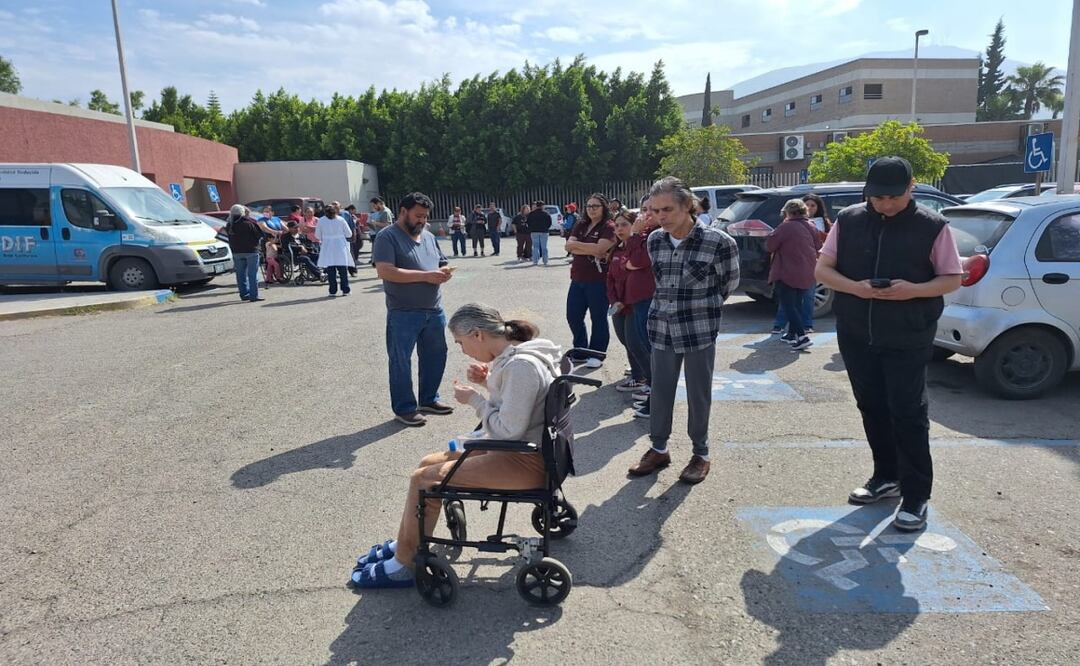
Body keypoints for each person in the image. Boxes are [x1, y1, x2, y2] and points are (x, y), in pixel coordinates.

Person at [348, 303, 560, 590]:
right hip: (525, 451)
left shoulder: (521, 366)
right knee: (426, 464)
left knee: (423, 480)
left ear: (477, 335)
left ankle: (404, 563)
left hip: (523, 461)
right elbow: (520, 407)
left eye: (461, 343)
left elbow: (509, 429)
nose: (462, 350)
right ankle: (408, 538)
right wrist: (488, 383)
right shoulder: (522, 354)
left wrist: (475, 400)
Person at [815, 156, 962, 532]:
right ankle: (886, 476)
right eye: (877, 198)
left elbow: (950, 278)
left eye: (893, 197)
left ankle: (916, 495)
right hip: (856, 331)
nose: (885, 204)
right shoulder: (848, 220)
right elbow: (823, 270)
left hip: (908, 333)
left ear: (911, 186)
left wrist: (913, 291)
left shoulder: (932, 226)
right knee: (872, 405)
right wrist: (857, 288)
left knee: (908, 412)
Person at [627, 177, 739, 485]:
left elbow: (729, 283)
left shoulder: (719, 242)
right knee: (660, 391)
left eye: (667, 209)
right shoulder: (655, 241)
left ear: (687, 206)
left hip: (699, 330)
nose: (661, 216)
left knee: (698, 394)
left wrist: (703, 307)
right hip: (661, 327)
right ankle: (659, 448)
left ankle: (700, 454)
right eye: (654, 210)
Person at [372, 192, 455, 427]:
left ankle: (428, 399)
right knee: (401, 361)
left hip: (434, 309)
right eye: (418, 216)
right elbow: (385, 271)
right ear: (403, 211)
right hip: (403, 311)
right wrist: (426, 276)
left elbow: (441, 261)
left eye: (425, 217)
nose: (422, 221)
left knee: (435, 356)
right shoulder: (387, 237)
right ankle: (405, 408)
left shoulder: (428, 236)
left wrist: (445, 271)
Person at [564, 193, 616, 367]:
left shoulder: (608, 226)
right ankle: (580, 350)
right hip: (577, 278)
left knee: (598, 317)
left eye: (596, 206)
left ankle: (597, 354)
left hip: (598, 280)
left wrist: (579, 247)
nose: (591, 209)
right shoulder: (581, 224)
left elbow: (601, 249)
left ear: (604, 208)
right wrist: (590, 249)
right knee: (573, 315)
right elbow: (568, 246)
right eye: (588, 206)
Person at [765, 199, 822, 352]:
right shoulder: (811, 226)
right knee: (797, 303)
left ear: (788, 212)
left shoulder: (786, 227)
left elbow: (770, 245)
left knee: (788, 305)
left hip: (787, 271)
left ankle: (802, 337)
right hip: (807, 270)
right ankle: (791, 334)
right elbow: (818, 246)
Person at [771, 193, 832, 335]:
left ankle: (802, 330)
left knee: (802, 298)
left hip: (808, 265)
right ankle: (785, 328)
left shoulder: (819, 223)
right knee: (790, 301)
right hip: (794, 266)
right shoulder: (789, 225)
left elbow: (822, 244)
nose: (810, 208)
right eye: (807, 205)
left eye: (813, 205)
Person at [606, 211, 652, 397]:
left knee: (636, 342)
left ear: (634, 225)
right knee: (627, 341)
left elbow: (638, 268)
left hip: (634, 305)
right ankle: (638, 375)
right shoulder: (616, 250)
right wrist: (614, 300)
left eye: (624, 224)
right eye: (616, 226)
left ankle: (649, 380)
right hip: (619, 306)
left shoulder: (638, 246)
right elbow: (610, 279)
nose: (619, 229)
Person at [627, 197, 659, 419]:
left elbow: (637, 260)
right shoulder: (646, 235)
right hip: (639, 299)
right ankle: (652, 397)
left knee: (652, 353)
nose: (644, 215)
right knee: (644, 349)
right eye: (643, 210)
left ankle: (656, 404)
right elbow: (629, 259)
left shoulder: (654, 236)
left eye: (650, 210)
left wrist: (634, 235)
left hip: (649, 298)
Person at [225, 204, 264, 302]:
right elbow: (259, 235)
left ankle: (244, 294)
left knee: (240, 274)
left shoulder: (230, 224)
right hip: (251, 251)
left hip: (236, 251)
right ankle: (253, 295)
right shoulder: (248, 223)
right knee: (252, 274)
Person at [316, 204, 355, 297]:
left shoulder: (321, 221)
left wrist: (325, 236)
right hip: (340, 246)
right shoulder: (341, 220)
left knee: (331, 270)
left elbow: (317, 235)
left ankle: (332, 291)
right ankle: (345, 290)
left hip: (327, 246)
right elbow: (349, 234)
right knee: (343, 270)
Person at [367, 197, 394, 265]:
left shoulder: (385, 212)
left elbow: (388, 224)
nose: (373, 207)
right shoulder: (381, 212)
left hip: (385, 238)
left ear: (379, 203)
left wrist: (375, 223)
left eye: (374, 205)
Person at [526, 200, 552, 266]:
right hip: (544, 231)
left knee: (535, 246)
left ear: (536, 206)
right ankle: (545, 261)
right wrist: (546, 228)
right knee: (544, 247)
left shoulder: (531, 214)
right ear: (542, 206)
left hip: (534, 231)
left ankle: (535, 261)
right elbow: (549, 223)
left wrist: (531, 228)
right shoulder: (546, 213)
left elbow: (528, 222)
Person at [339, 203, 360, 276]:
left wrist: (354, 235)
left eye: (336, 205)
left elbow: (352, 225)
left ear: (340, 207)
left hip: (346, 238)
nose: (335, 207)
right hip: (335, 240)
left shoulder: (346, 214)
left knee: (350, 254)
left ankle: (352, 270)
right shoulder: (329, 216)